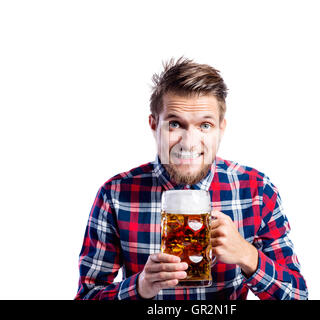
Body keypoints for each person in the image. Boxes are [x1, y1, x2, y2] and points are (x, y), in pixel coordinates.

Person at [75, 58, 308, 300]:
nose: (189, 142)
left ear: (221, 128)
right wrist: (140, 286)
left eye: (205, 125)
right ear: (154, 124)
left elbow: (298, 295)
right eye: (175, 124)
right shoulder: (115, 194)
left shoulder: (257, 190)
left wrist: (248, 256)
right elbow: (87, 295)